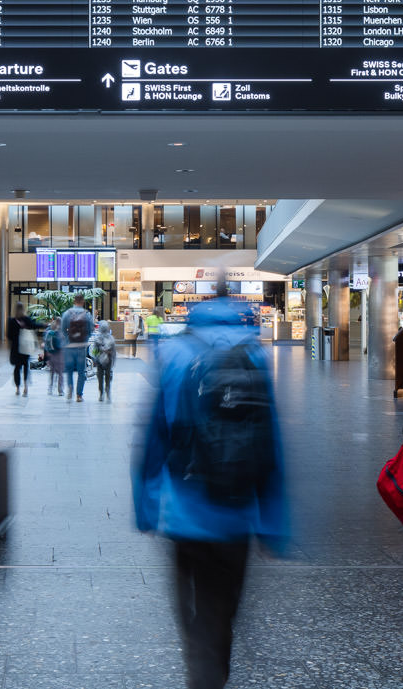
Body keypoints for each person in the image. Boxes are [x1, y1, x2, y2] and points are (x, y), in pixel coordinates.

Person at [134, 290, 288, 689]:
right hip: (237, 514)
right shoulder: (254, 356)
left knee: (194, 613)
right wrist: (274, 523)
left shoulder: (174, 355)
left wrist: (146, 506)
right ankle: (214, 667)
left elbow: (154, 439)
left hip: (185, 512)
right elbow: (269, 444)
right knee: (222, 612)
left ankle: (202, 671)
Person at [61, 294, 95, 402]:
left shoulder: (67, 314)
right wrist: (85, 339)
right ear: (83, 301)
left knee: (69, 370)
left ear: (74, 301)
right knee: (81, 371)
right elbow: (90, 330)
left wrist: (67, 340)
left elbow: (62, 329)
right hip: (81, 347)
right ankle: (79, 395)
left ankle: (70, 387)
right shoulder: (87, 314)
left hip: (69, 346)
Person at [7, 303, 40, 395]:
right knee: (25, 366)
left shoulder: (12, 321)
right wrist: (45, 325)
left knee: (17, 368)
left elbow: (9, 336)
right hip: (26, 347)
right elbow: (34, 326)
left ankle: (17, 388)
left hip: (16, 348)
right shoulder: (27, 319)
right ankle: (25, 387)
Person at [90, 317, 117, 401]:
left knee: (100, 378)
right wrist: (113, 361)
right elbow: (114, 352)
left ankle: (101, 394)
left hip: (99, 361)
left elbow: (94, 351)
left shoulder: (97, 339)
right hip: (108, 360)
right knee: (108, 377)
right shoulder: (111, 339)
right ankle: (107, 392)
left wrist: (95, 359)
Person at [44, 317, 66, 396]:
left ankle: (50, 388)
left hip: (51, 354)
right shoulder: (61, 331)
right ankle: (60, 390)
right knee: (60, 373)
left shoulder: (50, 330)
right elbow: (64, 343)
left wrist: (47, 354)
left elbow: (46, 343)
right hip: (59, 354)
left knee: (52, 372)